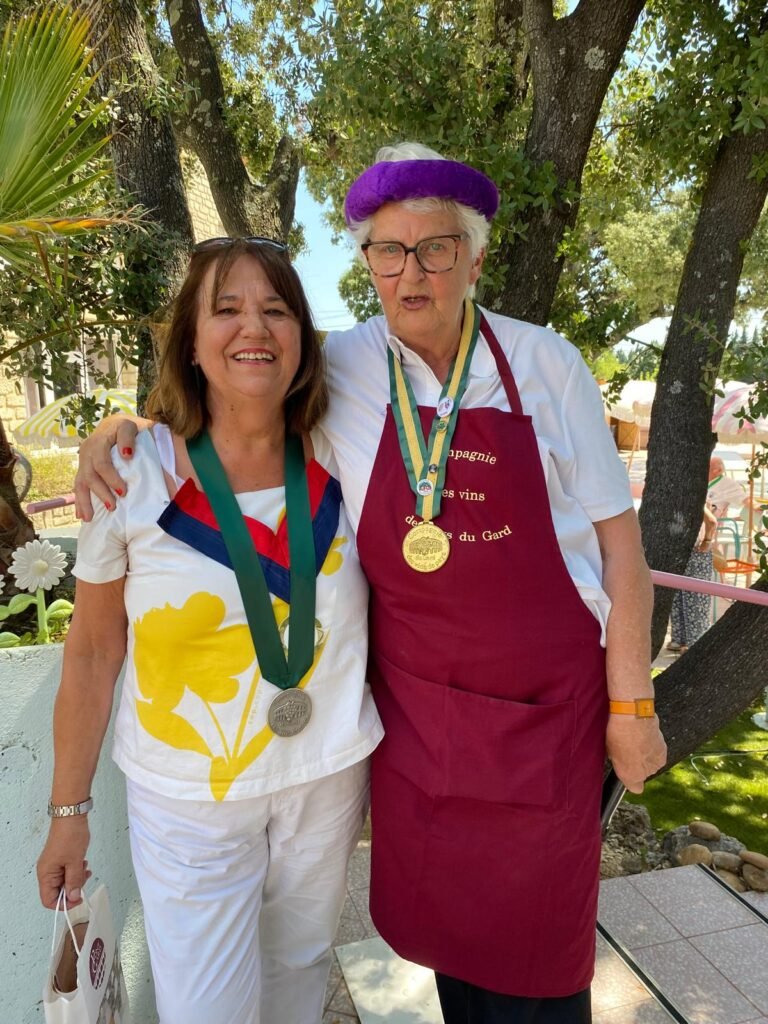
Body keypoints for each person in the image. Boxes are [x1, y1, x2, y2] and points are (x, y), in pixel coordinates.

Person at [74, 143, 667, 1024]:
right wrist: (119, 427)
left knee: (539, 970)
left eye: (435, 248)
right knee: (455, 954)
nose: (411, 272)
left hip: (545, 714)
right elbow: (236, 375)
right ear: (366, 264)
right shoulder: (344, 364)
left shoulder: (544, 365)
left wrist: (632, 707)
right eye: (388, 251)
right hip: (422, 721)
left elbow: (624, 551)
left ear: (474, 255)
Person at [36, 238, 383, 1024]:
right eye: (225, 309)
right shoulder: (131, 471)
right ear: (190, 341)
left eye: (275, 309)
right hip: (188, 796)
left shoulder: (344, 453)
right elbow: (92, 654)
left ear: (302, 336)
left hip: (325, 776)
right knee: (207, 1010)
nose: (252, 327)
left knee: (297, 983)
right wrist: (68, 815)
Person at [667, 502, 719, 653]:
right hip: (685, 551)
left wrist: (707, 542)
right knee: (680, 597)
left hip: (695, 551)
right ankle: (681, 640)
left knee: (695, 598)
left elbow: (711, 522)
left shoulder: (697, 498)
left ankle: (693, 641)